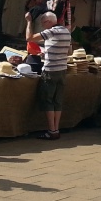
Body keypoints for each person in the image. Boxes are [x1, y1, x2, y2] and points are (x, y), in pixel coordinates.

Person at [26, 10, 72, 140]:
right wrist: (48, 52)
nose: (42, 26)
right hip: (62, 70)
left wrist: (29, 21)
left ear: (47, 22)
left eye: (42, 23)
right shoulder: (66, 32)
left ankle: (52, 130)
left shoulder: (51, 31)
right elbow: (69, 52)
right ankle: (56, 128)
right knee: (57, 101)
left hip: (50, 71)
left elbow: (29, 38)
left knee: (48, 101)